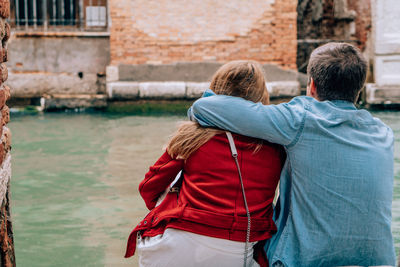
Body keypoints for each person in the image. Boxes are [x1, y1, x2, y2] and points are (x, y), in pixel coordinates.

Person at [188, 43, 396, 266]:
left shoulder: (300, 121)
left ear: (312, 86)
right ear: (359, 89)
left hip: (301, 261)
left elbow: (204, 108)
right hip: (378, 261)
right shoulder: (384, 133)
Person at [125, 60, 286, 267]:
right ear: (261, 96)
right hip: (238, 252)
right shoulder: (277, 146)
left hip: (173, 248)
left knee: (174, 176)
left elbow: (148, 188)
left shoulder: (192, 136)